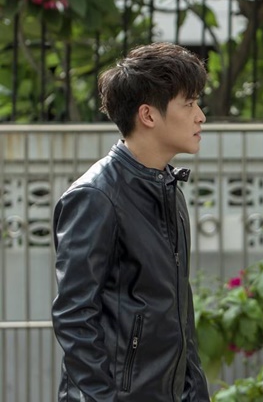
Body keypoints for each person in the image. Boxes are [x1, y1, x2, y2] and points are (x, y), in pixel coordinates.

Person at [51, 42, 210, 401]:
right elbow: (75, 318)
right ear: (148, 115)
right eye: (189, 104)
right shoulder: (96, 196)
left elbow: (179, 315)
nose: (200, 116)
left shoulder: (168, 187)